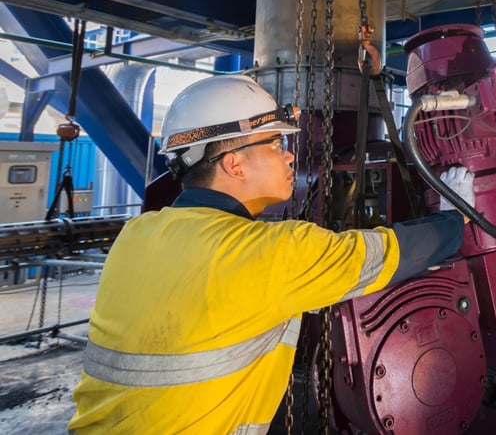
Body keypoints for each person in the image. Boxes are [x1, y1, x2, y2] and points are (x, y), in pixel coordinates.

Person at [68, 75, 474, 434]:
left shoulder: (136, 235)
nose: (290, 155)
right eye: (275, 143)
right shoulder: (268, 253)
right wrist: (455, 217)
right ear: (234, 164)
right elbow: (383, 255)